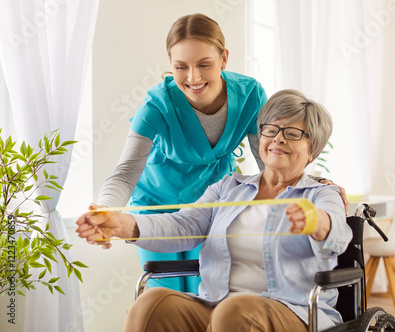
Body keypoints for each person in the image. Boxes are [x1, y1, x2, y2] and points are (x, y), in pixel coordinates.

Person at [97, 13, 347, 293]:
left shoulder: (249, 95)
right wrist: (103, 211)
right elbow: (125, 172)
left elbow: (271, 156)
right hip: (157, 202)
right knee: (162, 290)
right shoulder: (157, 105)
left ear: (224, 58)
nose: (193, 78)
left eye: (204, 64)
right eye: (181, 67)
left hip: (214, 203)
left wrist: (312, 185)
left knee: (208, 285)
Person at [76, 89, 353, 331]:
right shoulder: (228, 187)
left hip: (294, 311)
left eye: (292, 133)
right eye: (271, 130)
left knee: (235, 312)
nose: (278, 139)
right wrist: (122, 225)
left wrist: (316, 222)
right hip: (218, 306)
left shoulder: (321, 194)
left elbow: (338, 235)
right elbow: (183, 226)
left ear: (312, 150)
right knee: (151, 303)